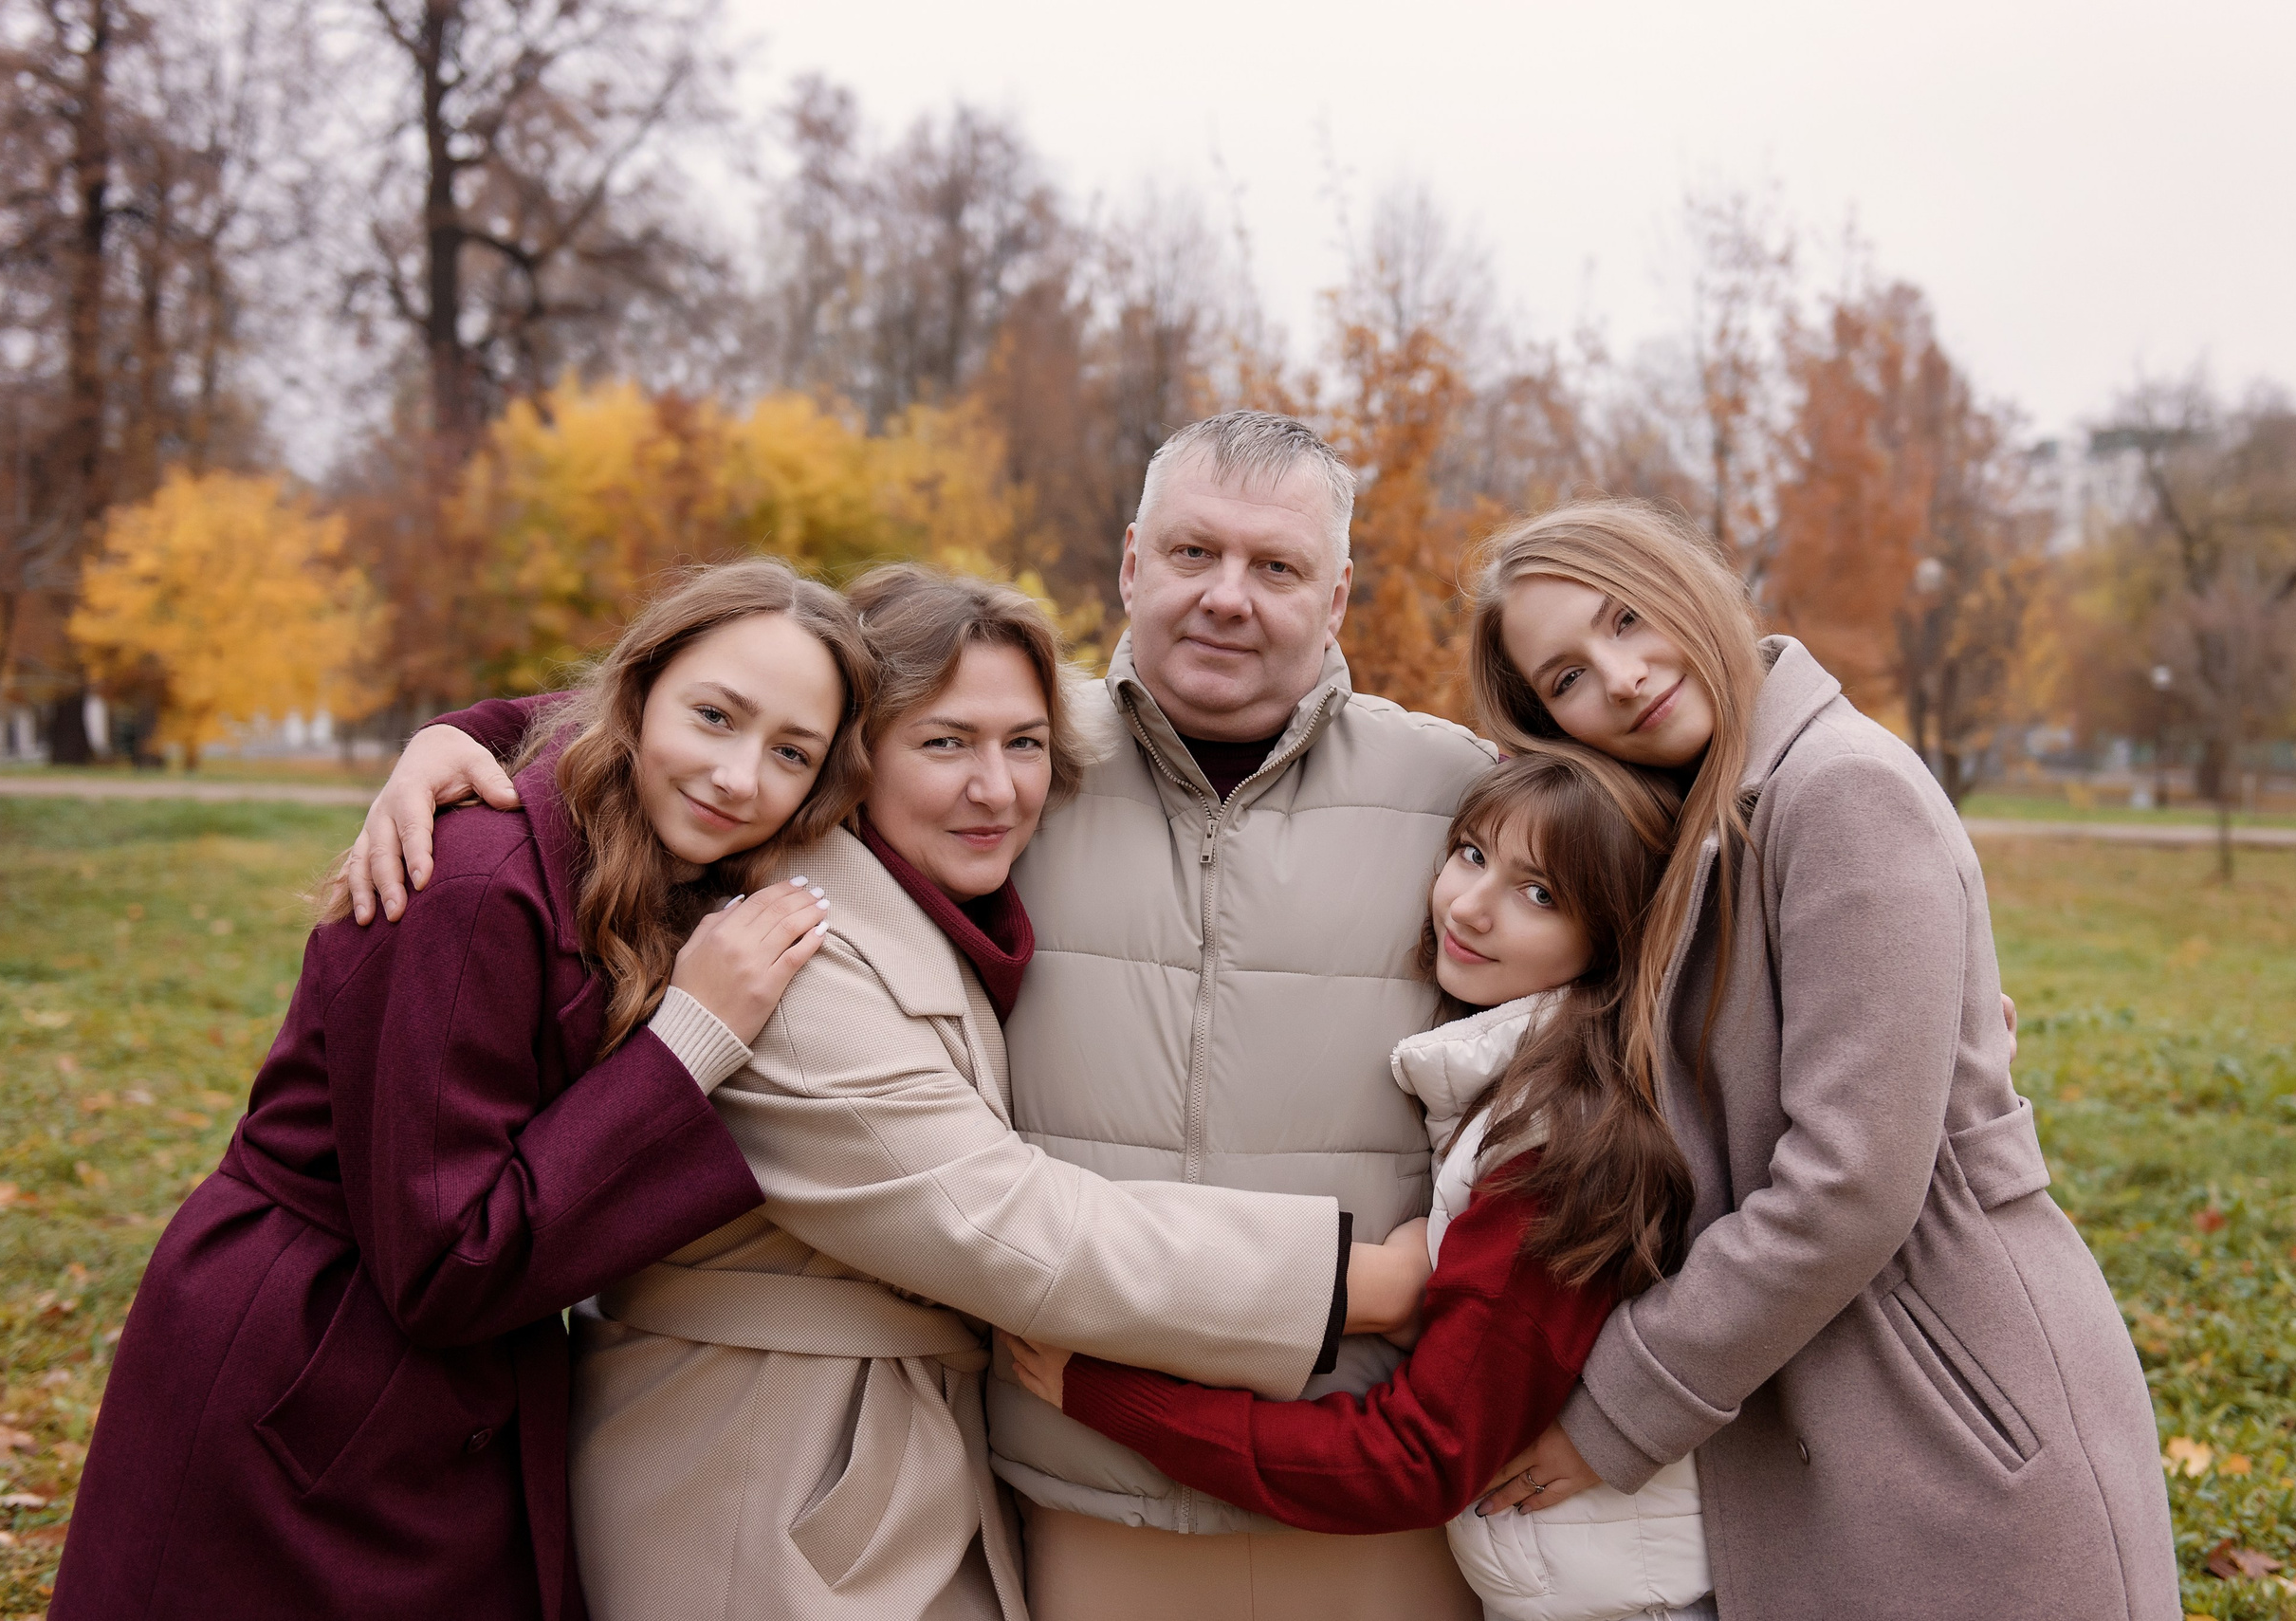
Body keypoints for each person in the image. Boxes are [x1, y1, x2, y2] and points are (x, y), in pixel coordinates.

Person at [344, 413, 1499, 1620]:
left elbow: (1603, 952)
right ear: (1130, 561)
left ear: (1338, 593)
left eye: (1276, 566)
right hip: (924, 1480)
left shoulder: (1449, 798)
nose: (1226, 595)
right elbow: (731, 704)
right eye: (1192, 551)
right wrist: (466, 738)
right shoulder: (820, 914)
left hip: (1347, 1471)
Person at [51, 559, 878, 1620]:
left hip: (437, 1373)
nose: (737, 775)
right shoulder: (481, 882)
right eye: (714, 716)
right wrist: (691, 1037)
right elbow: (450, 1262)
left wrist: (453, 730)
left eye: (791, 753)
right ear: (637, 694)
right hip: (307, 1357)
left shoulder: (627, 840)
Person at [1459, 500, 2177, 1621]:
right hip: (1839, 1410)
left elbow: (1851, 1183)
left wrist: (1616, 1407)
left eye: (1626, 617)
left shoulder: (1838, 788)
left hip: (1951, 1417)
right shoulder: (1701, 823)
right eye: (1567, 678)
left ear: (1690, 580)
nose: (1623, 676)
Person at [1004, 752, 1717, 1621]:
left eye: (1540, 894)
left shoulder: (1561, 1144)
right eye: (1471, 853)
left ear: (1611, 935)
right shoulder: (1516, 1095)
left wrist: (1116, 1398)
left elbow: (1418, 1457)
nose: (1470, 905)